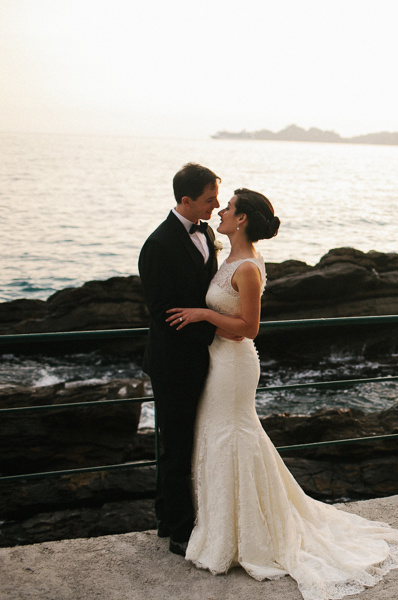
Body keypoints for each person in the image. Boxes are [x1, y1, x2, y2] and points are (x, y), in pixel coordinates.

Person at [166, 189, 398, 599]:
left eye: (228, 207)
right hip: (218, 360)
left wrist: (204, 314)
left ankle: (248, 537)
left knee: (231, 435)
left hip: (235, 364)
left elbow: (250, 328)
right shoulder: (228, 256)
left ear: (241, 220)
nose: (220, 210)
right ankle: (226, 528)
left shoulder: (248, 269)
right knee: (219, 434)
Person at [139, 162, 228, 556]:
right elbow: (162, 311)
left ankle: (164, 517)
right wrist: (212, 329)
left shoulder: (207, 231)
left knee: (183, 442)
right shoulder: (158, 245)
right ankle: (179, 532)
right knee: (176, 445)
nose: (217, 205)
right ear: (186, 200)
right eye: (210, 199)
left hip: (199, 357)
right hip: (173, 361)